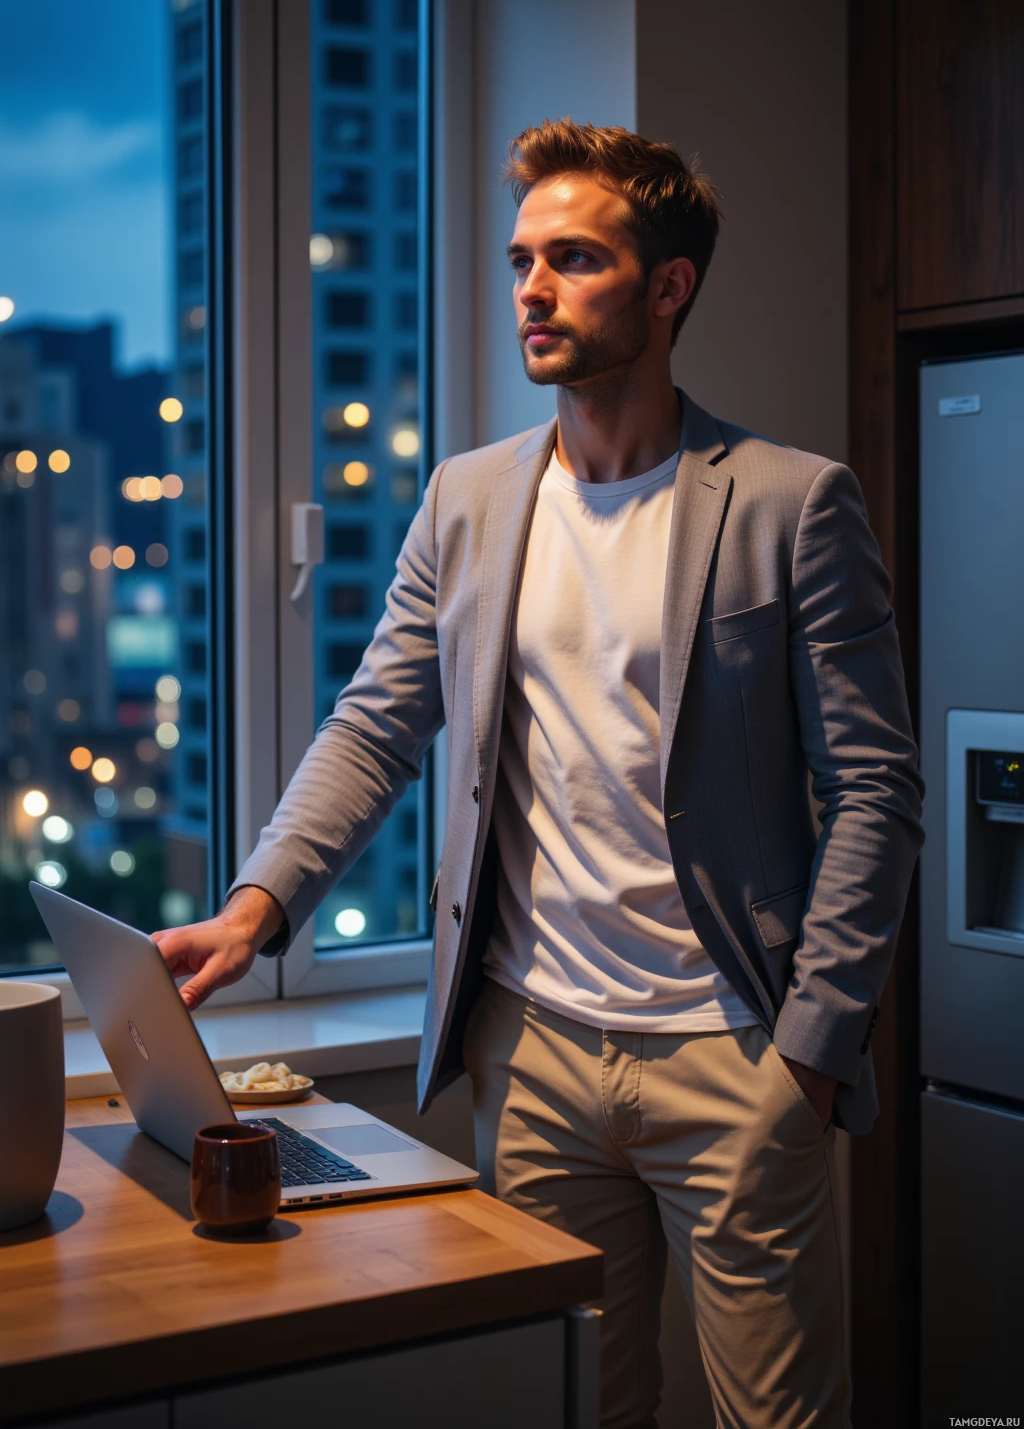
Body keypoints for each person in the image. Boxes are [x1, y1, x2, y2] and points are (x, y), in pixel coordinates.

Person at [153, 119, 924, 1429]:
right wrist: (257, 904)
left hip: (735, 1054)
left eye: (574, 258)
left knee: (777, 1421)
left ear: (667, 287)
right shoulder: (467, 500)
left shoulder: (791, 502)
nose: (532, 288)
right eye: (522, 259)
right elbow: (378, 724)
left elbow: (878, 791)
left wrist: (813, 1045)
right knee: (575, 1405)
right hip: (537, 1049)